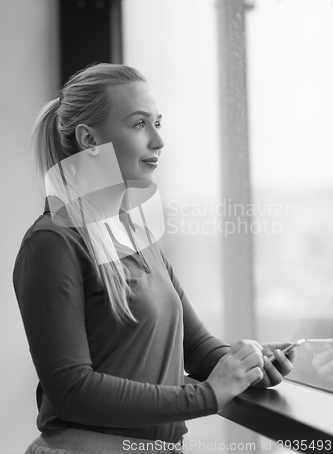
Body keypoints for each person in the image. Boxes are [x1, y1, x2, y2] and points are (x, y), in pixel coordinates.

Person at [13, 63, 296, 454]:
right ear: (89, 139)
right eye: (139, 124)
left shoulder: (140, 238)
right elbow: (72, 391)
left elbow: (196, 350)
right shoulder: (51, 242)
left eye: (158, 122)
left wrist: (248, 364)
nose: (158, 140)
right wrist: (209, 396)